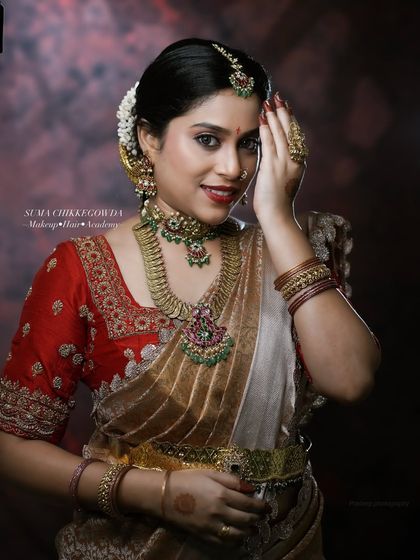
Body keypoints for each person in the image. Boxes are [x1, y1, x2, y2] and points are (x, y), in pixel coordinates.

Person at [0, 38, 380, 559]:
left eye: (250, 144)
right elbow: (12, 447)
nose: (233, 168)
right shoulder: (79, 269)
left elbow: (351, 379)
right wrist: (157, 493)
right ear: (149, 138)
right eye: (207, 139)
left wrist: (277, 218)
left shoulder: (293, 249)